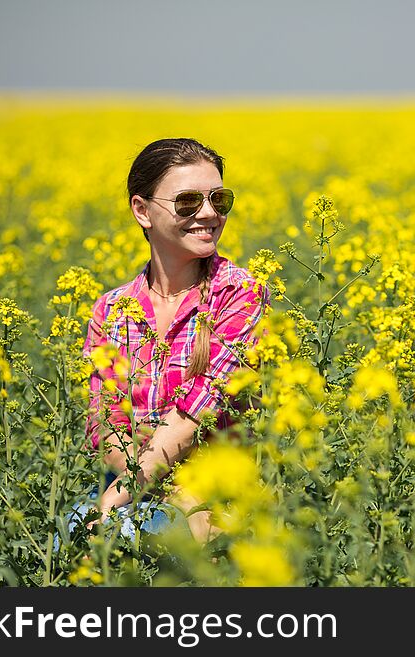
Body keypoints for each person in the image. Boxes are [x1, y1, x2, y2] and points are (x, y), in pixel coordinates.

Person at [79, 137, 270, 543]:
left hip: (218, 504)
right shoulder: (110, 311)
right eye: (187, 202)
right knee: (70, 537)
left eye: (220, 200)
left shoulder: (239, 294)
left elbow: (198, 409)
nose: (209, 214)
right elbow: (104, 420)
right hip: (137, 497)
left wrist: (114, 500)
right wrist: (165, 492)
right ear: (142, 210)